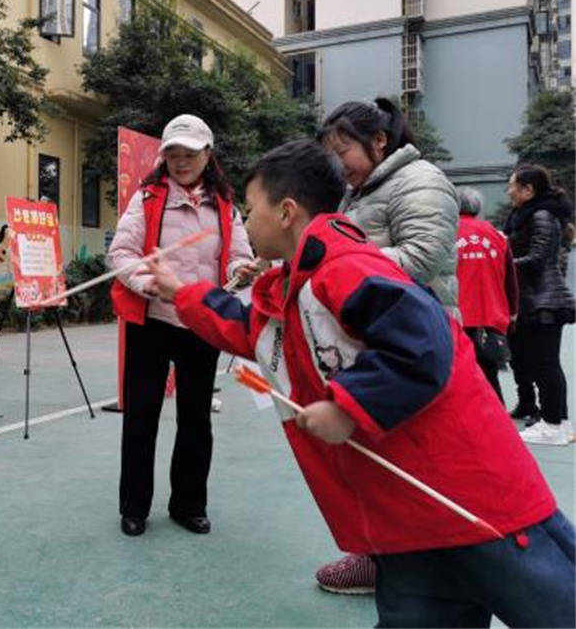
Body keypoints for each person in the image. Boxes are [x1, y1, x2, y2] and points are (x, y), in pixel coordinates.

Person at [147, 140, 574, 628]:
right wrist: (182, 293)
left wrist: (348, 407)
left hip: (473, 500)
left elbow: (422, 342)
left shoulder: (347, 266)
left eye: (250, 209)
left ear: (286, 212)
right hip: (409, 522)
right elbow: (252, 330)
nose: (245, 222)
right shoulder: (301, 283)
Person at [315, 97, 460, 593]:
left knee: (416, 457)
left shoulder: (421, 181)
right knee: (377, 455)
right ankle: (380, 555)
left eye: (343, 152)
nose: (339, 166)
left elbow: (421, 256)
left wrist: (335, 266)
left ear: (378, 141)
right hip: (378, 340)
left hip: (417, 345)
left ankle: (416, 565)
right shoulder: (356, 193)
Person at [108, 113, 254, 537]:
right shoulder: (147, 198)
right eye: (173, 154)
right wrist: (147, 282)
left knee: (195, 419)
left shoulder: (225, 206)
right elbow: (121, 253)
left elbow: (239, 256)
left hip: (200, 322)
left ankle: (189, 505)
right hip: (152, 320)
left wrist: (242, 271)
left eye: (189, 153)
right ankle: (134, 507)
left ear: (208, 154)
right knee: (141, 416)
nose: (181, 161)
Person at [504, 164, 576, 446]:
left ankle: (552, 424)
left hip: (544, 301)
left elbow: (537, 259)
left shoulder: (541, 216)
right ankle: (558, 422)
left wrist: (501, 263)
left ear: (528, 190)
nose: (509, 191)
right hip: (536, 299)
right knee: (543, 363)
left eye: (513, 185)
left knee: (545, 365)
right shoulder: (529, 215)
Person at [454, 186, 518, 403]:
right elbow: (511, 280)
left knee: (459, 375)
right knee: (490, 374)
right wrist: (513, 313)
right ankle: (496, 416)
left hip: (458, 315)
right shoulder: (497, 235)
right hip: (491, 314)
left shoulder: (447, 233)